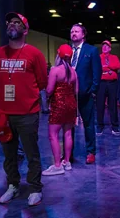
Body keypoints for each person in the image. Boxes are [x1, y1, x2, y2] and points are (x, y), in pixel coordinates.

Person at [0, 12, 47, 206]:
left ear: (25, 30)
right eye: (9, 22)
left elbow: (42, 81)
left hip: (27, 113)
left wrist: (28, 98)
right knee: (9, 155)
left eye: (17, 22)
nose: (11, 24)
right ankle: (13, 185)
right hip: (4, 114)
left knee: (31, 153)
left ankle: (35, 188)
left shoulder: (35, 54)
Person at [68, 24, 102, 164]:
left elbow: (97, 72)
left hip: (85, 93)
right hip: (68, 94)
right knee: (68, 125)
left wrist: (92, 90)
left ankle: (90, 152)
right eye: (71, 31)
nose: (73, 33)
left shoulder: (91, 50)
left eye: (76, 31)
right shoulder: (67, 50)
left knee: (88, 124)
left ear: (83, 34)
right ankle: (68, 154)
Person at [42, 44, 78, 176]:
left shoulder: (55, 70)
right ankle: (66, 162)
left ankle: (57, 165)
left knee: (53, 135)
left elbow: (50, 90)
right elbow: (76, 91)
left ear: (58, 55)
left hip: (58, 105)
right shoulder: (73, 72)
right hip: (71, 105)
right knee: (68, 134)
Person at [96, 40, 120, 135]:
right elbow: (97, 68)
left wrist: (107, 66)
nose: (104, 47)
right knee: (100, 105)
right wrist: (110, 69)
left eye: (107, 46)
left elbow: (118, 66)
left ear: (110, 48)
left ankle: (115, 126)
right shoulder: (98, 57)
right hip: (101, 83)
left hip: (112, 83)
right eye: (103, 46)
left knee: (113, 105)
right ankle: (99, 126)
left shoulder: (114, 57)